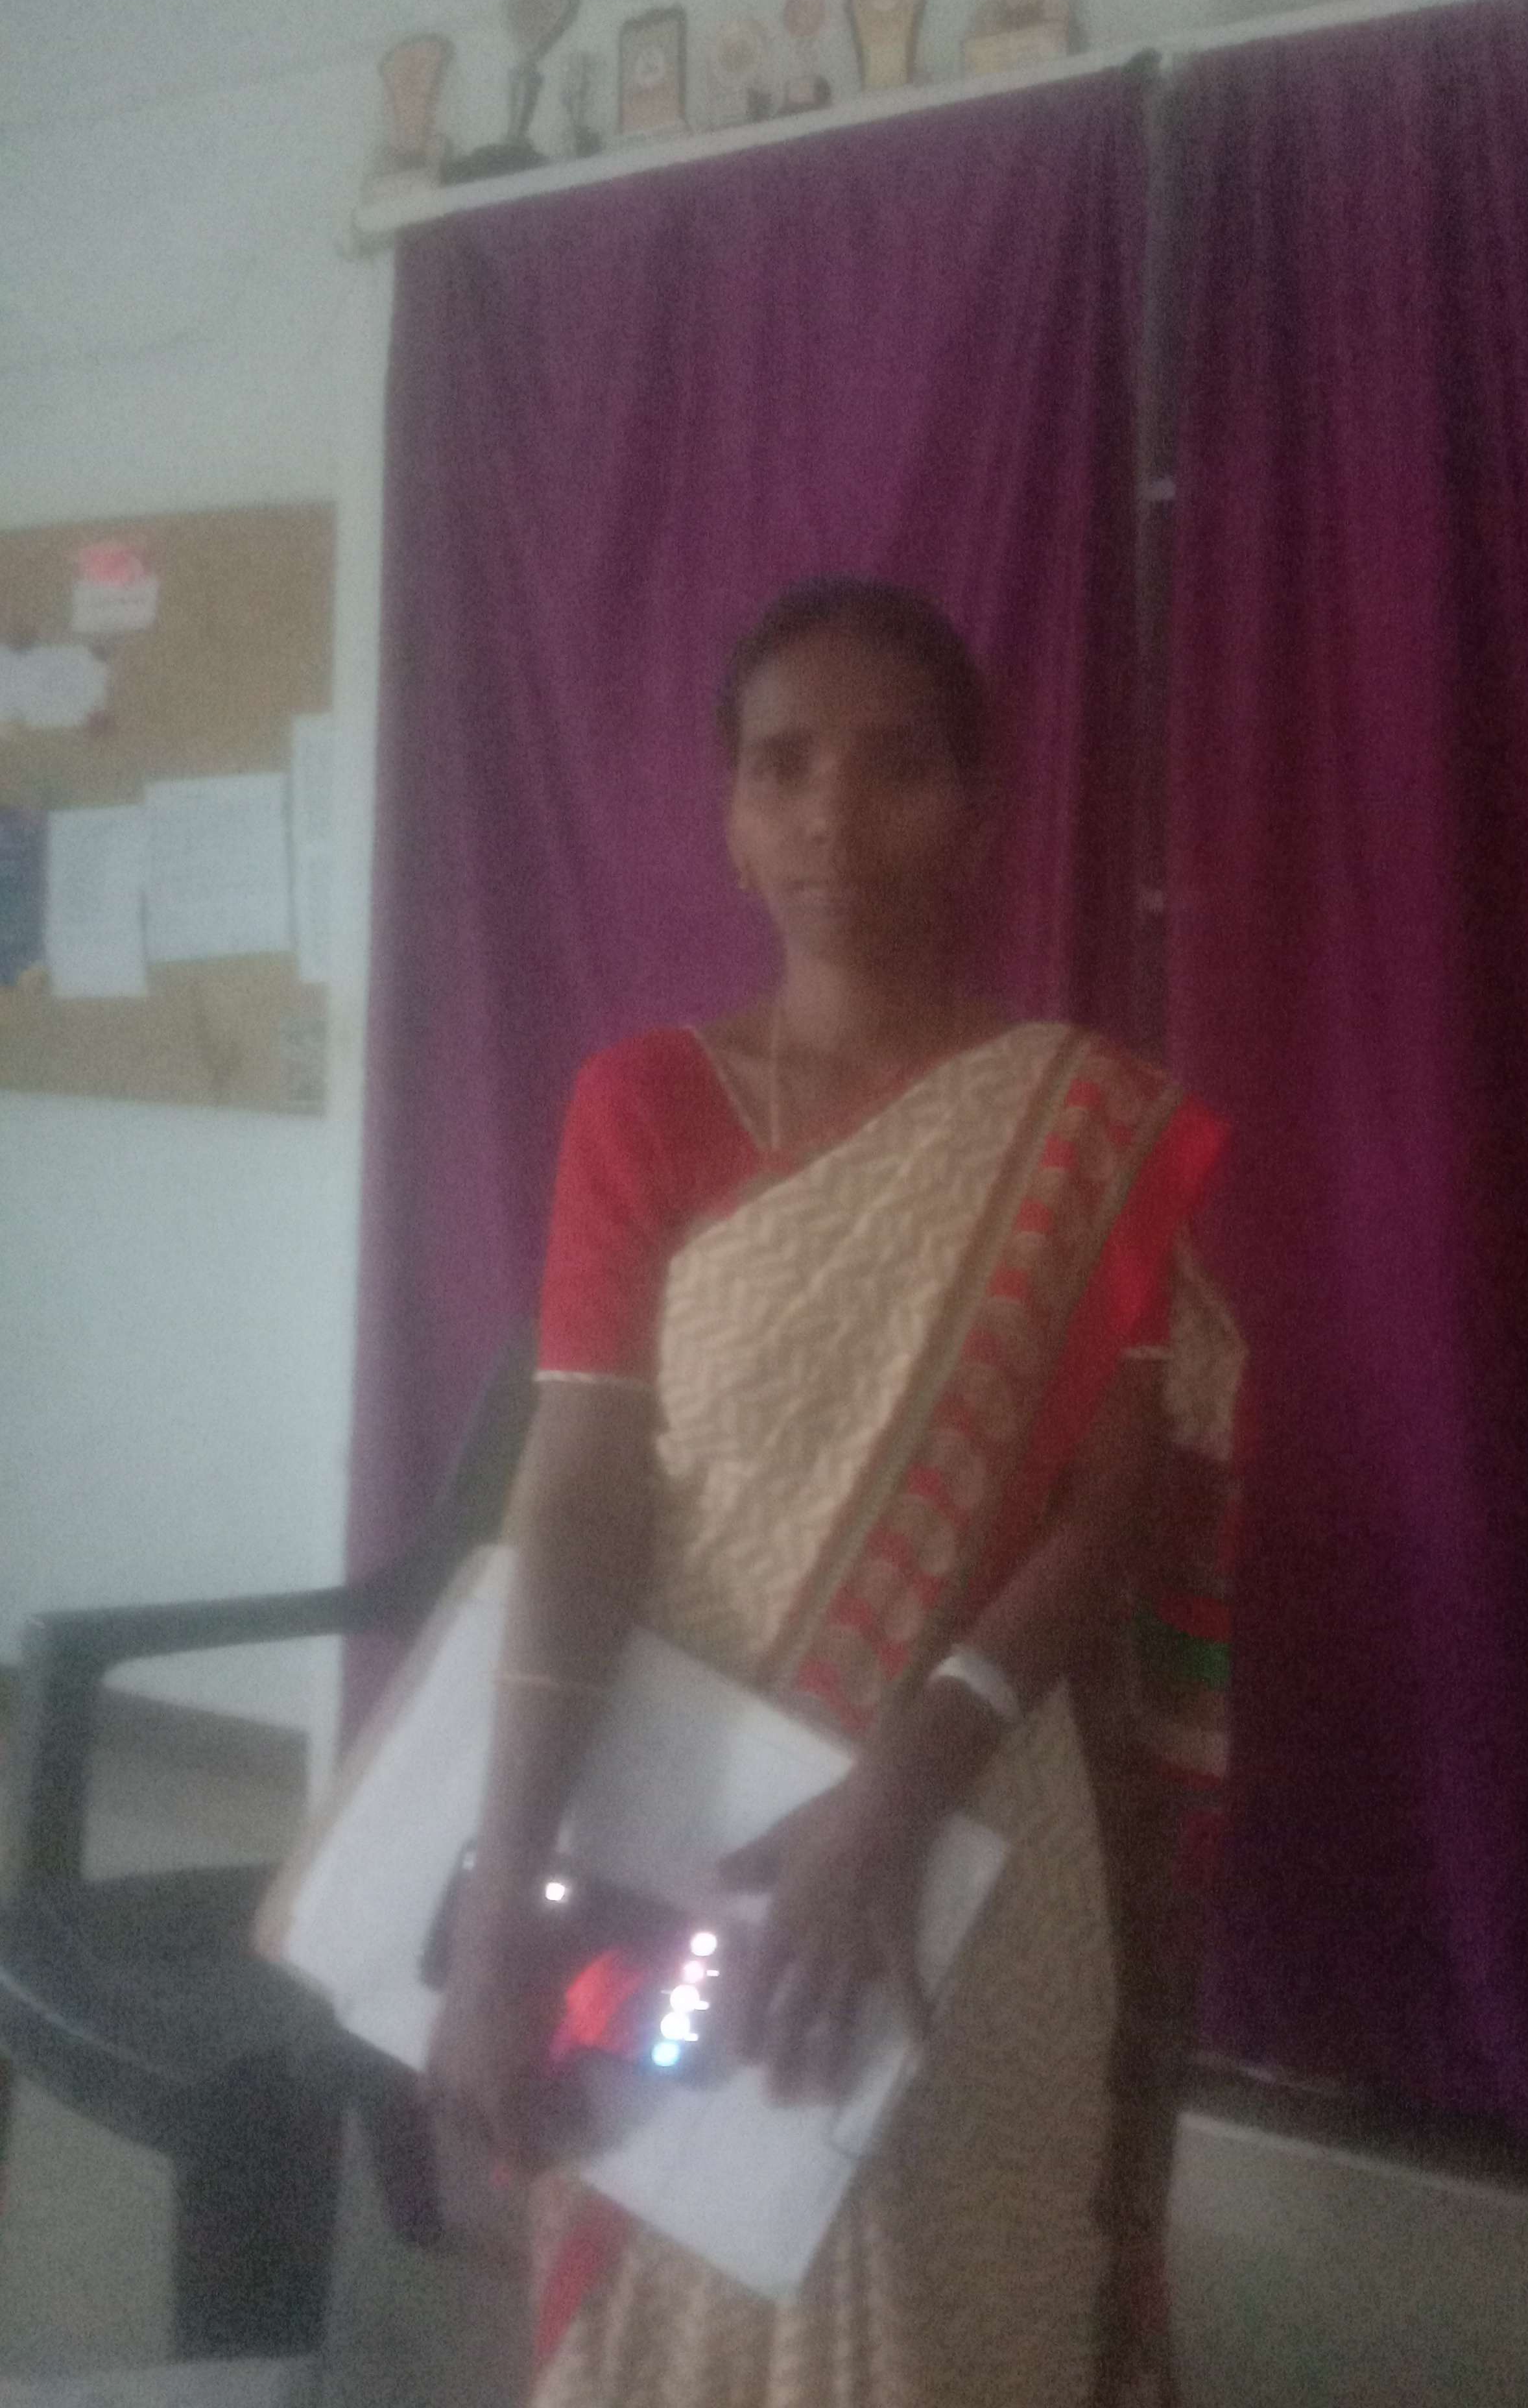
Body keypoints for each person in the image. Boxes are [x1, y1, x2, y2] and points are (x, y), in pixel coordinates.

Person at [427, 579, 1244, 2408]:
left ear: (979, 810)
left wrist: (900, 1786)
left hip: (971, 1808)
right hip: (683, 1802)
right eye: (783, 767)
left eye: (897, 768)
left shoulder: (1077, 1131)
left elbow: (1109, 1514)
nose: (834, 817)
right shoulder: (640, 1104)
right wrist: (499, 1893)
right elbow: (580, 1496)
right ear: (728, 812)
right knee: (672, 2273)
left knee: (952, 2302)